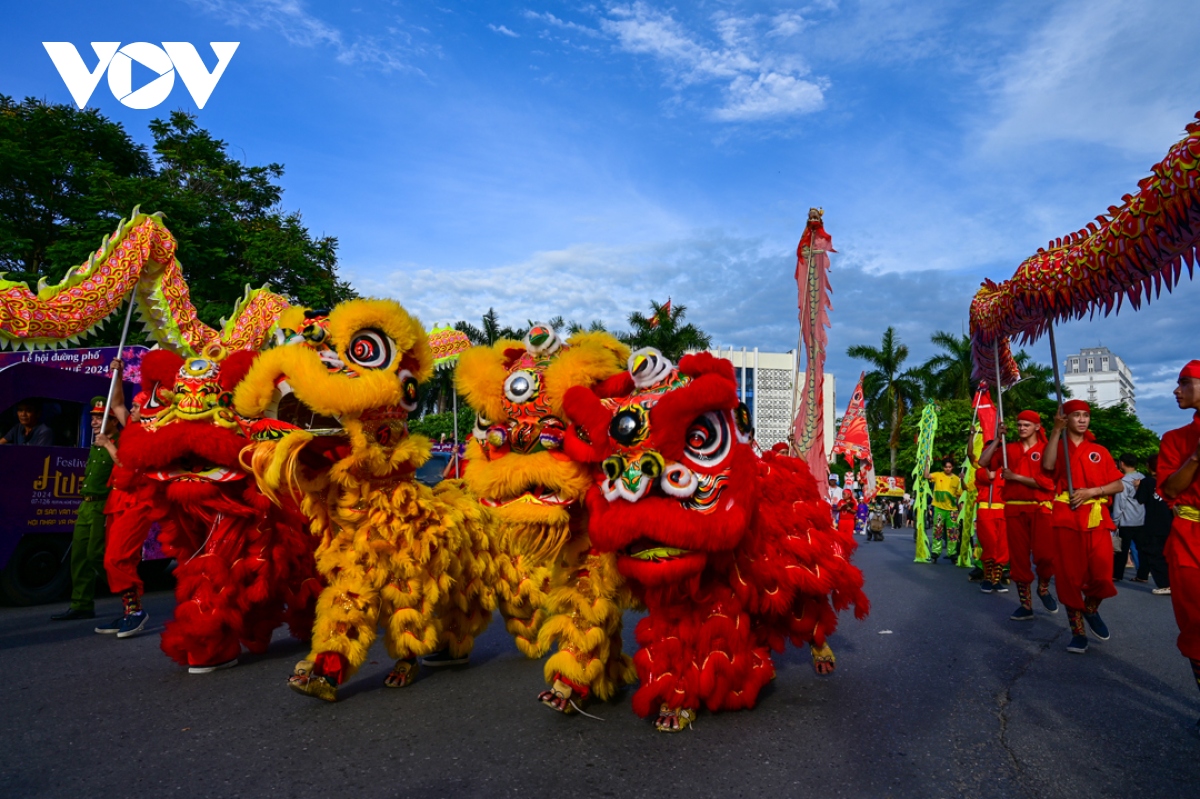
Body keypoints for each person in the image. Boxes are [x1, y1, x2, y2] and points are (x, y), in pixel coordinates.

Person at [1043, 400, 1124, 654]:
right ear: (1066, 419)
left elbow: (1118, 485)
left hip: (1096, 516)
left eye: (1085, 415)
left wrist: (1092, 491)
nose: (1082, 419)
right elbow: (1047, 466)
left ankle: (1090, 608)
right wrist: (1055, 431)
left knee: (1102, 573)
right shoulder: (1058, 446)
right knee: (1069, 576)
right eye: (1076, 415)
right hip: (1067, 516)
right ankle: (1077, 632)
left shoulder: (1099, 450)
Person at [50, 394, 122, 621]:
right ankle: (81, 604)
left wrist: (108, 444)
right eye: (93, 418)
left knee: (96, 555)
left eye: (100, 418)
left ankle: (128, 595)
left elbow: (126, 464)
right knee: (79, 556)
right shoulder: (96, 443)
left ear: (114, 421)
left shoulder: (119, 441)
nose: (93, 422)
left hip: (104, 505)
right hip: (86, 505)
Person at [95, 362, 154, 638]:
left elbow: (128, 464)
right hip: (118, 498)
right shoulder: (132, 424)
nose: (131, 409)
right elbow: (116, 402)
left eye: (137, 407)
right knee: (113, 557)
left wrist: (108, 444)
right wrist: (117, 373)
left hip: (138, 500)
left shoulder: (152, 436)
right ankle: (130, 610)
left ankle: (136, 612)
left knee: (117, 558)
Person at [1157, 361, 1200, 727]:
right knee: (1194, 621)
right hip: (1189, 535)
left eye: (1185, 383)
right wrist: (1196, 456)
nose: (1176, 390)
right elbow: (1170, 489)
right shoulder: (1174, 439)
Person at [991, 411, 1059, 621]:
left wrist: (1016, 477)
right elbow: (984, 462)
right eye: (1019, 424)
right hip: (1014, 509)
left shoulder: (1048, 449)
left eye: (1026, 424)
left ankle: (1043, 588)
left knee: (1046, 556)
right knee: (1019, 559)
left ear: (1037, 427)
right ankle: (1025, 605)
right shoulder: (1008, 448)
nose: (1021, 428)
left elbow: (1048, 483)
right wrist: (997, 438)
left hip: (1041, 508)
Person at [972, 438, 1009, 594]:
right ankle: (987, 579)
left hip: (1005, 511)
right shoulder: (981, 471)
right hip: (986, 510)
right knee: (990, 545)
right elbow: (991, 475)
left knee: (1003, 548)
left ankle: (996, 579)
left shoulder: (1007, 470)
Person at [1134, 453, 1171, 593]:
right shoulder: (1171, 480)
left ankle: (1164, 584)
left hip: (1153, 523)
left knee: (1154, 554)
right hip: (1170, 521)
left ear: (1149, 466)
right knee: (1168, 554)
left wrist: (1137, 487)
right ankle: (1173, 582)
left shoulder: (1147, 482)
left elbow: (1141, 499)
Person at [1112, 453, 1146, 581]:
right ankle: (1142, 575)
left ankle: (1117, 574)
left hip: (1126, 520)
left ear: (1122, 463)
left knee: (1122, 549)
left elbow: (1120, 503)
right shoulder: (1142, 478)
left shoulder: (1124, 481)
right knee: (1142, 549)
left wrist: (1115, 520)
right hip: (1141, 519)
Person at [925, 458, 962, 562]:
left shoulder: (957, 479)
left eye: (950, 467)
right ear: (943, 467)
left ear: (952, 467)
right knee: (938, 531)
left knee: (953, 532)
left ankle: (952, 553)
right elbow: (926, 476)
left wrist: (960, 511)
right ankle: (935, 553)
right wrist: (927, 463)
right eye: (946, 467)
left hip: (952, 510)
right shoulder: (938, 475)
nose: (948, 469)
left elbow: (959, 496)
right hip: (939, 509)